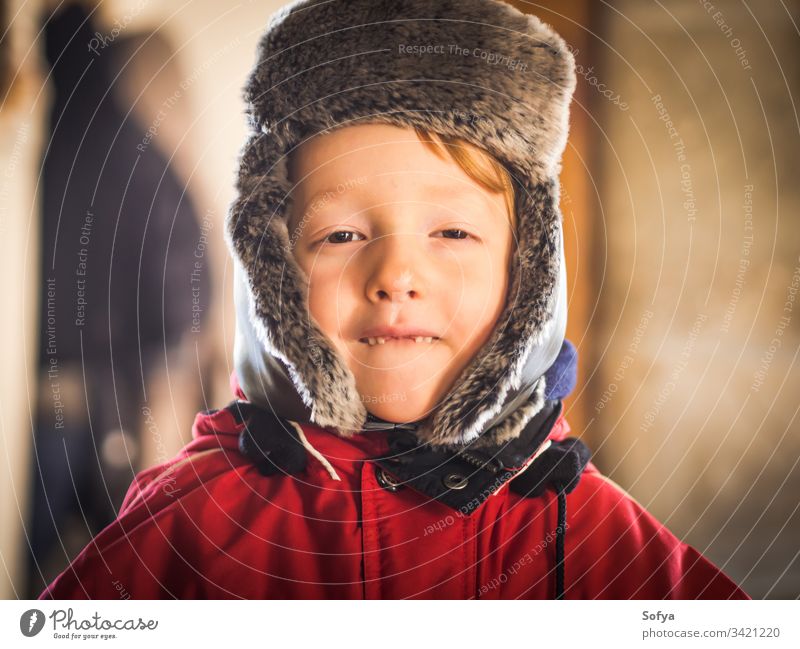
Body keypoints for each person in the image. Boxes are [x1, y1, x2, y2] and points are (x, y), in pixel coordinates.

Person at [40, 0, 748, 600]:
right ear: (272, 266)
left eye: (453, 231)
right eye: (343, 233)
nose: (397, 273)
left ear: (528, 272)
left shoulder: (587, 535)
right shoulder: (186, 523)